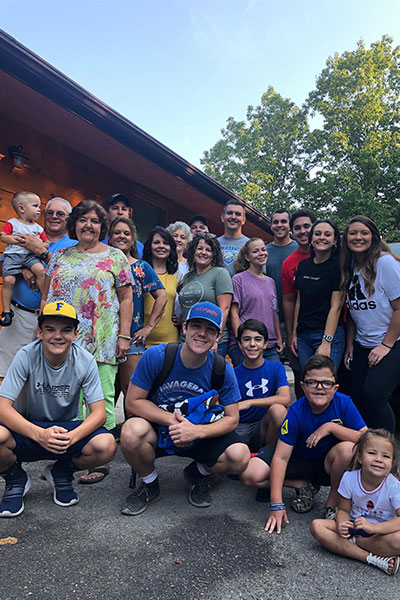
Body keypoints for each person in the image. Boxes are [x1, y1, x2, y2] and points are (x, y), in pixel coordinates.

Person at [120, 301, 250, 515]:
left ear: (218, 337)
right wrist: (172, 420)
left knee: (240, 456)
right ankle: (150, 484)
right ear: (185, 328)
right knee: (131, 431)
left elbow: (232, 418)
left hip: (200, 431)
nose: (202, 334)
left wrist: (196, 431)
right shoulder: (157, 356)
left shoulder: (222, 368)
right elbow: (133, 402)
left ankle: (197, 473)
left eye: (210, 329)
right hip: (161, 430)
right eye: (196, 326)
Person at [42, 199, 133, 483]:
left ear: (101, 226)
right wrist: (40, 328)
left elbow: (126, 298)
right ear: (74, 224)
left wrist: (124, 335)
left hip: (103, 338)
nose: (88, 225)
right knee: (68, 398)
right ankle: (67, 454)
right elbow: (46, 296)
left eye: (94, 221)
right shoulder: (59, 256)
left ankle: (99, 459)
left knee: (102, 398)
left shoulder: (116, 257)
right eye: (83, 220)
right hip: (63, 339)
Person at [0, 301, 116, 517]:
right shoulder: (26, 356)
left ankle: (61, 471)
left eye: (66, 330)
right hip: (29, 427)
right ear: (40, 331)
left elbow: (99, 413)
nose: (58, 336)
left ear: (75, 333)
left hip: (66, 429)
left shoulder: (85, 360)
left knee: (106, 445)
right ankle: (15, 478)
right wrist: (39, 434)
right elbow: (2, 407)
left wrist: (73, 437)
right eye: (50, 329)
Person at [240, 355, 367, 531]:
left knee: (348, 449)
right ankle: (302, 484)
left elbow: (367, 439)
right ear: (302, 386)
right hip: (297, 458)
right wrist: (277, 503)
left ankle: (332, 504)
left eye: (326, 383)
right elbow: (282, 458)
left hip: (327, 464)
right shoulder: (296, 411)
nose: (320, 388)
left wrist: (331, 428)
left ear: (335, 387)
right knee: (249, 474)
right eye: (312, 382)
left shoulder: (344, 403)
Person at [0, 196, 77, 381]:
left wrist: (40, 252)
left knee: (45, 377)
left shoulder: (73, 246)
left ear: (69, 218)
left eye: (60, 213)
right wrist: (24, 269)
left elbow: (67, 275)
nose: (54, 216)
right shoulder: (26, 233)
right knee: (6, 372)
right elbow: (4, 266)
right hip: (20, 316)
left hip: (55, 322)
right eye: (49, 212)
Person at [310, 429, 400, 576]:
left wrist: (373, 528)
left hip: (381, 533)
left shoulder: (394, 486)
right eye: (372, 453)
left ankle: (358, 545)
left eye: (385, 456)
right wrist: (342, 524)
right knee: (317, 526)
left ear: (392, 462)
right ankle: (372, 558)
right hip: (355, 527)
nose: (378, 459)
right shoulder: (349, 478)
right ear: (359, 457)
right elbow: (344, 510)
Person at [341, 216, 400, 433]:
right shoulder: (350, 268)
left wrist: (385, 345)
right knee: (355, 394)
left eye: (363, 233)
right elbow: (355, 313)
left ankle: (387, 451)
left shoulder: (385, 263)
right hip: (362, 343)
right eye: (353, 233)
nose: (358, 237)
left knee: (374, 393)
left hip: (393, 342)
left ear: (373, 237)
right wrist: (350, 345)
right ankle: (367, 446)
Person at [108, 217, 167, 395]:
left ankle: (131, 424)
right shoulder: (101, 264)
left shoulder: (140, 267)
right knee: (107, 390)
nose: (121, 236)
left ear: (133, 239)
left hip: (132, 337)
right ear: (109, 238)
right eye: (117, 232)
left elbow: (162, 296)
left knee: (130, 389)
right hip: (103, 337)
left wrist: (148, 328)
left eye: (126, 233)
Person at [292, 219, 345, 373]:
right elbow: (299, 302)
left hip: (326, 334)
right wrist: (295, 333)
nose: (322, 237)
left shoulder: (338, 266)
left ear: (334, 240)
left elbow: (336, 307)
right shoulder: (303, 265)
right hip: (304, 336)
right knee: (309, 382)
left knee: (324, 382)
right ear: (311, 239)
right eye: (317, 234)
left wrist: (326, 342)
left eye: (327, 234)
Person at [234, 319, 290, 451]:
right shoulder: (232, 373)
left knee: (278, 410)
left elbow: (285, 399)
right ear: (240, 344)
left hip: (265, 425)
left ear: (265, 344)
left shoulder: (275, 367)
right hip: (241, 426)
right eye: (247, 339)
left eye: (258, 339)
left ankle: (267, 455)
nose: (252, 344)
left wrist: (250, 402)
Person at [230, 238, 283, 366]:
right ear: (247, 257)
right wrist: (240, 340)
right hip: (248, 343)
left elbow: (274, 312)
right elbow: (234, 312)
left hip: (269, 344)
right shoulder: (238, 279)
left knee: (272, 382)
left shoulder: (270, 282)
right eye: (256, 251)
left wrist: (279, 339)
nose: (261, 253)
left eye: (263, 250)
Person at [178, 234, 233, 357]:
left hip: (209, 338)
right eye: (200, 248)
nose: (203, 252)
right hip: (186, 337)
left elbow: (225, 308)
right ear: (193, 251)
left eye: (208, 250)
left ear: (214, 254)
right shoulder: (187, 277)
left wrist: (215, 340)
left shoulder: (220, 273)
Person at [281, 208, 316, 398]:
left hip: (334, 328)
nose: (303, 231)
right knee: (304, 376)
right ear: (292, 232)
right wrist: (290, 333)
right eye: (297, 228)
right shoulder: (289, 263)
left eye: (307, 226)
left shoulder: (333, 255)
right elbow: (289, 299)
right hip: (302, 329)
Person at [0, 192, 49, 326]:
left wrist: (39, 245)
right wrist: (16, 240)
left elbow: (46, 243)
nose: (39, 209)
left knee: (40, 271)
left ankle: (45, 301)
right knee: (9, 280)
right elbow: (3, 236)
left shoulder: (38, 228)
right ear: (22, 208)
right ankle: (6, 311)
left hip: (30, 256)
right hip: (14, 256)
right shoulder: (12, 223)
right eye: (35, 206)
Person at [142, 226, 179, 346]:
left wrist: (181, 318)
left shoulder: (178, 276)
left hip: (169, 339)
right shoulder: (140, 272)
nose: (161, 246)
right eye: (156, 242)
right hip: (141, 337)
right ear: (149, 246)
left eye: (166, 243)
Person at [265, 208, 298, 324]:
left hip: (298, 317)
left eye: (283, 221)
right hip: (272, 317)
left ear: (290, 225)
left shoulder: (299, 249)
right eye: (275, 222)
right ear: (271, 225)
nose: (279, 225)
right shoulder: (263, 252)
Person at [104, 193, 144, 258]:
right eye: (115, 208)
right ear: (107, 213)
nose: (120, 212)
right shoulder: (97, 242)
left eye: (124, 209)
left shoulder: (140, 247)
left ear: (128, 214)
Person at [217, 200, 249, 277]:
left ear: (244, 220)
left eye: (237, 214)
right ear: (222, 217)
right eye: (229, 213)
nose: (233, 217)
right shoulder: (213, 243)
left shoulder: (250, 245)